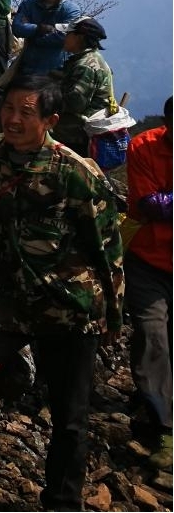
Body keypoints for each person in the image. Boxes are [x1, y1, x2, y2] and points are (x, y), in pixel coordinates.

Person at [0, 74, 124, 511]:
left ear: (50, 120)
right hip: (2, 302)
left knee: (69, 417)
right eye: (8, 108)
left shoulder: (76, 174)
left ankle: (62, 502)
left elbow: (107, 248)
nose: (13, 119)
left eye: (26, 112)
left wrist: (112, 315)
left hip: (67, 309)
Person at [124, 96, 172, 470]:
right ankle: (165, 429)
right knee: (151, 333)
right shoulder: (145, 146)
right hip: (147, 259)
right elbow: (149, 204)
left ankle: (155, 401)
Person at [51, 17, 114, 157]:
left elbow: (75, 104)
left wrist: (46, 98)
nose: (65, 37)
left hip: (75, 137)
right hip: (79, 134)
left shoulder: (85, 66)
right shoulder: (91, 59)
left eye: (68, 33)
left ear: (79, 37)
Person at [11, 0, 83, 76]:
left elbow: (64, 37)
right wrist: (39, 28)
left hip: (54, 72)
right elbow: (17, 28)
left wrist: (31, 33)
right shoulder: (29, 3)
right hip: (26, 68)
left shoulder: (71, 9)